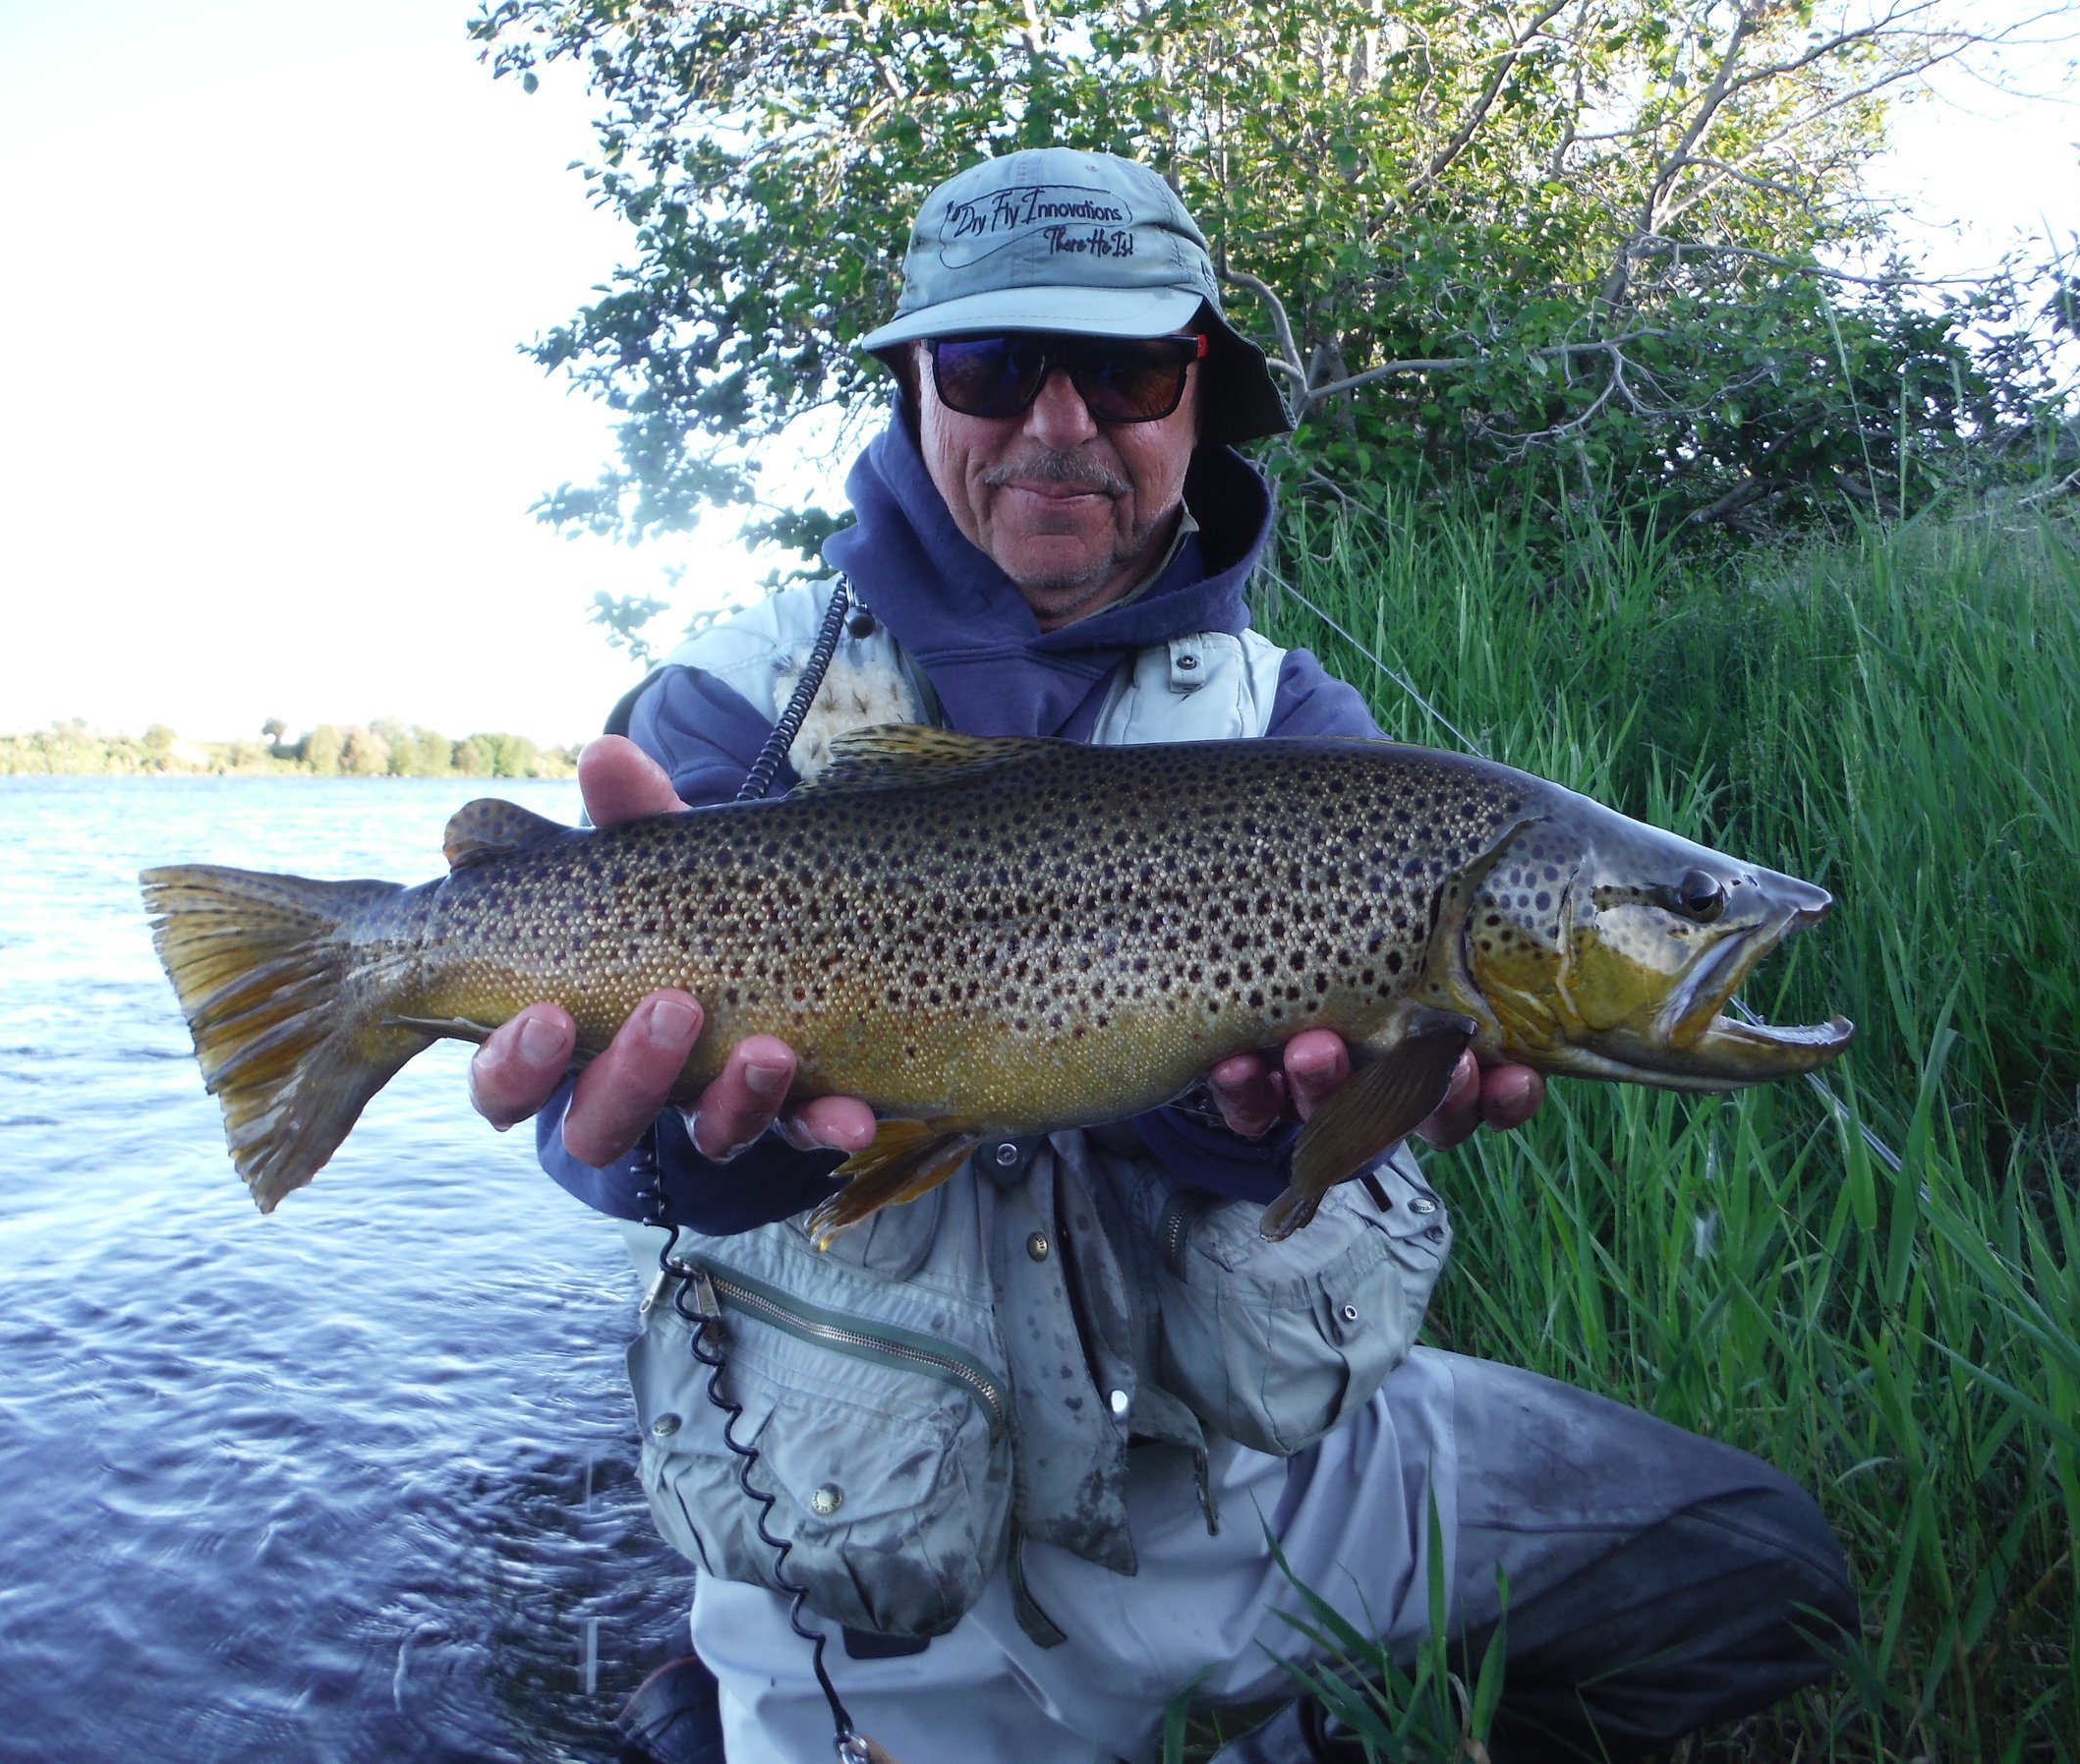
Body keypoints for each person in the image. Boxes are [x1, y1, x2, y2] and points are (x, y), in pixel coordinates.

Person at [470, 148, 1857, 1764]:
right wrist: (711, 1158)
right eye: (993, 364)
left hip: (1249, 1506)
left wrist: (1249, 1124)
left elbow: (1272, 1129)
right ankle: (727, 1699)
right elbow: (607, 1167)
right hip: (881, 1566)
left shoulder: (1301, 734)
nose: (1060, 423)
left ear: (1199, 394)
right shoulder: (730, 708)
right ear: (915, 382)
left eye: (1125, 368)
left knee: (1768, 1570)